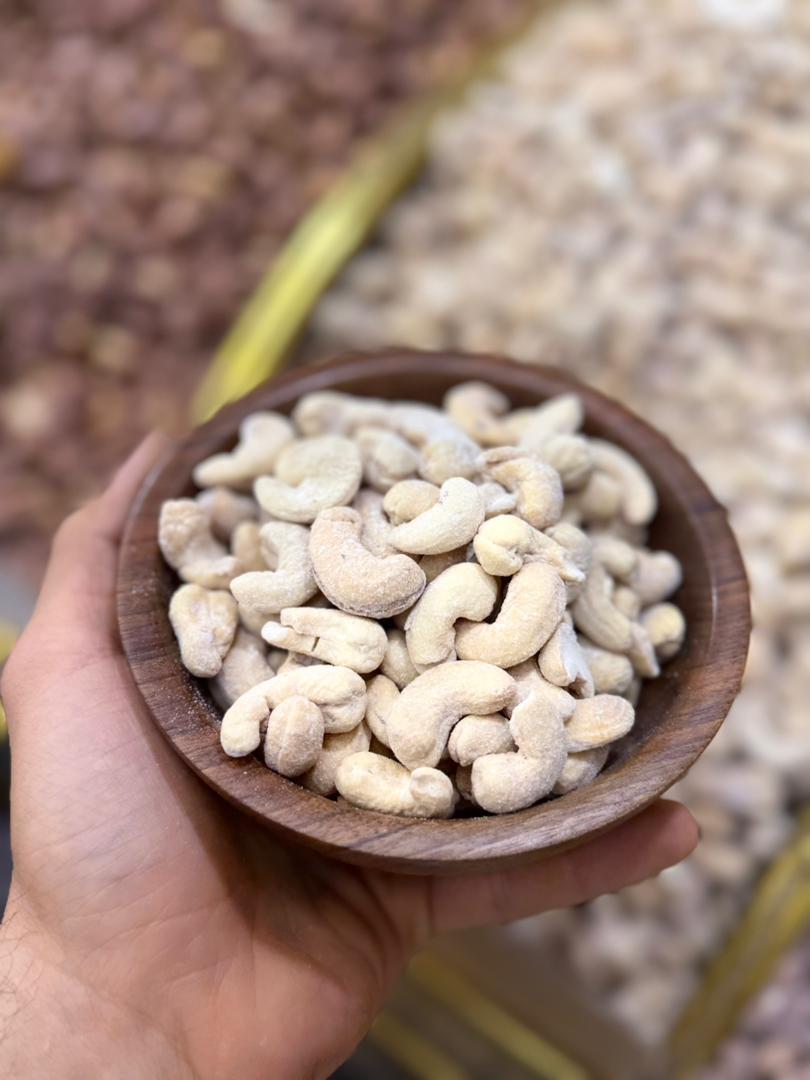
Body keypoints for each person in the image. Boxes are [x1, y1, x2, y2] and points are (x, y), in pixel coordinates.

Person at [0, 435, 698, 1078]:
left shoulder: (481, 602)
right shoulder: (374, 592)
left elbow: (435, 665)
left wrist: (96, 996)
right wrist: (96, 992)